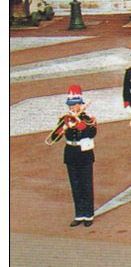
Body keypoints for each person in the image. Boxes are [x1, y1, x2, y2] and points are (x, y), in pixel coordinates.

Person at [51, 85, 98, 227]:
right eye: (70, 105)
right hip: (71, 153)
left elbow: (92, 133)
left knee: (86, 184)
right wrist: (62, 127)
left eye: (74, 105)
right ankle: (79, 214)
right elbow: (54, 137)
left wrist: (79, 125)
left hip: (84, 153)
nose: (71, 108)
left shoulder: (88, 118)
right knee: (75, 185)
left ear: (80, 105)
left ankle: (89, 215)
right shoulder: (65, 118)